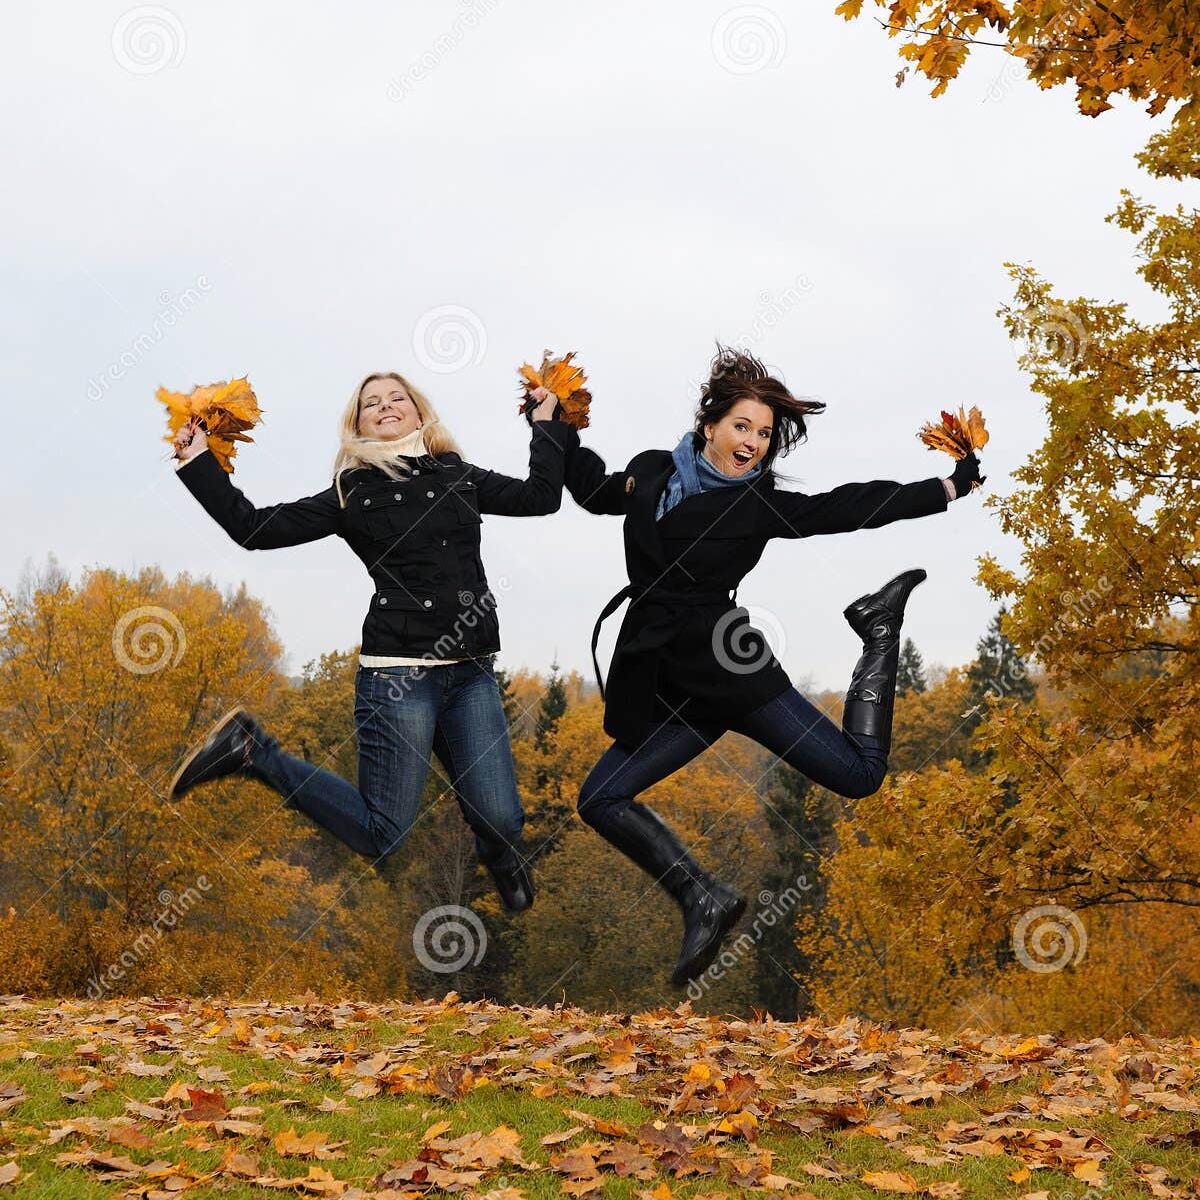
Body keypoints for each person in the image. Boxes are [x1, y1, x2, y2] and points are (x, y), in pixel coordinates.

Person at [567, 346, 983, 983]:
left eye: (764, 434)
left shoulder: (755, 506)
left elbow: (844, 507)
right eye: (743, 427)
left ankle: (879, 628)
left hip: (730, 673)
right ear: (710, 425)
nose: (754, 443)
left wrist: (946, 487)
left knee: (859, 776)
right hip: (664, 680)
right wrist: (555, 425)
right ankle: (702, 897)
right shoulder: (651, 472)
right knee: (599, 797)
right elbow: (593, 491)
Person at [167, 371, 578, 910]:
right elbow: (254, 529)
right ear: (357, 424)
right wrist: (200, 463)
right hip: (400, 678)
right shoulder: (351, 492)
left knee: (502, 818)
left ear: (418, 410)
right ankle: (253, 752)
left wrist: (545, 424)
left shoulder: (459, 474)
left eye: (396, 398)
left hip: (471, 670)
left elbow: (541, 498)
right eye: (370, 404)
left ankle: (498, 850)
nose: (385, 406)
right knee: (381, 834)